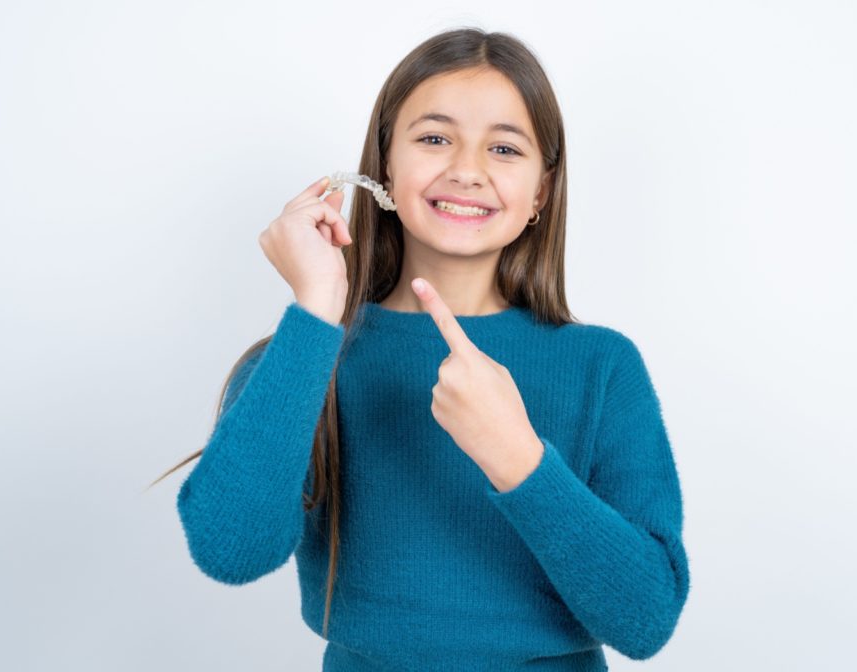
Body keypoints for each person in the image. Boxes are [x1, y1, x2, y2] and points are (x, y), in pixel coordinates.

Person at [150, 27, 690, 671]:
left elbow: (647, 620)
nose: (466, 169)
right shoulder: (306, 354)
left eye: (505, 147)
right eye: (434, 138)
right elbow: (230, 550)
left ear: (542, 192)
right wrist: (317, 311)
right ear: (384, 167)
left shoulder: (603, 366)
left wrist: (517, 457)